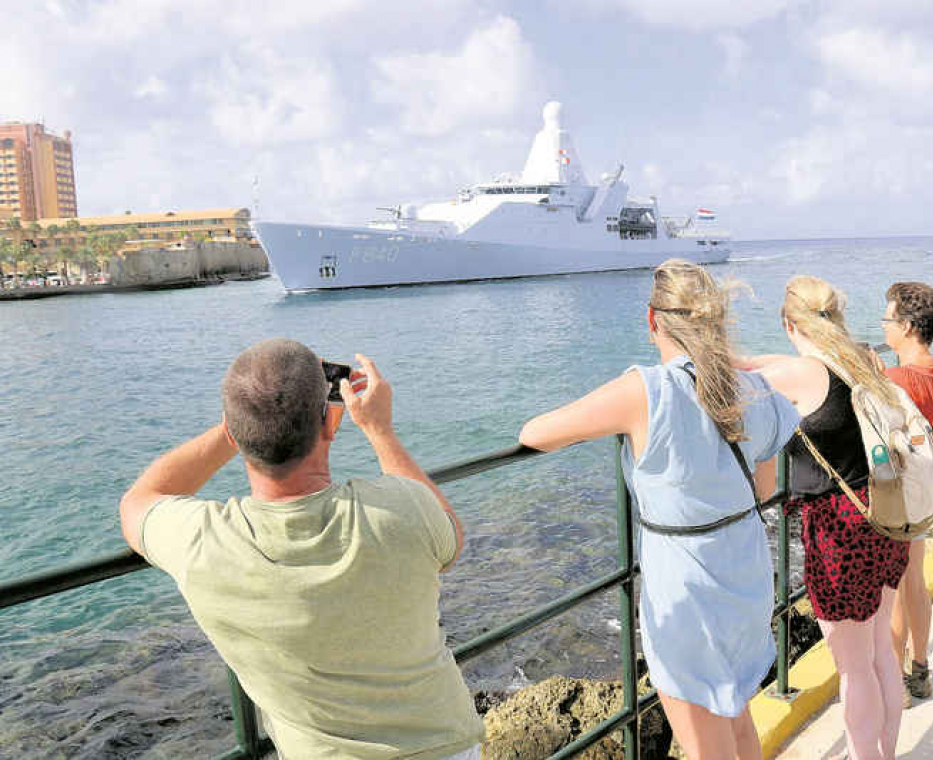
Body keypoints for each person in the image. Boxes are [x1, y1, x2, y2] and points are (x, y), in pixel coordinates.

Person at [119, 339, 483, 760]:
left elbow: (140, 499)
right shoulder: (404, 509)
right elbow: (449, 540)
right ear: (329, 421)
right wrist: (380, 431)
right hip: (445, 749)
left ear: (235, 436)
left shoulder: (203, 542)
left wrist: (236, 428)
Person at [519, 260, 800, 760]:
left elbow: (534, 434)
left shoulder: (645, 390)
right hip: (745, 569)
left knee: (705, 743)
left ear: (653, 321)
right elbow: (764, 489)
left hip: (685, 587)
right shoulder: (754, 390)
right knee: (736, 719)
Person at [740, 276, 910, 760]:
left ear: (789, 323)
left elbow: (743, 382)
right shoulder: (863, 357)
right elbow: (764, 364)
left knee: (854, 668)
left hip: (839, 530)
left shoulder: (798, 376)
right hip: (882, 510)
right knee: (879, 653)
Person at [879, 282, 933, 707]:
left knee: (893, 589)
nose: (884, 326)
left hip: (897, 498)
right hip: (926, 491)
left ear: (907, 327)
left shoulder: (894, 379)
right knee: (915, 582)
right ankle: (919, 669)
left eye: (888, 320)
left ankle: (894, 681)